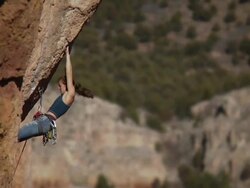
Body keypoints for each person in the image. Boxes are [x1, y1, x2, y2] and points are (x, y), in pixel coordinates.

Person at [18, 46, 94, 142]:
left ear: (66, 86)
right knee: (16, 137)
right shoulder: (65, 97)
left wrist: (67, 55)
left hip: (46, 122)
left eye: (60, 85)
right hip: (45, 122)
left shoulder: (69, 95)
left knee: (15, 135)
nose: (58, 88)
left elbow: (69, 73)